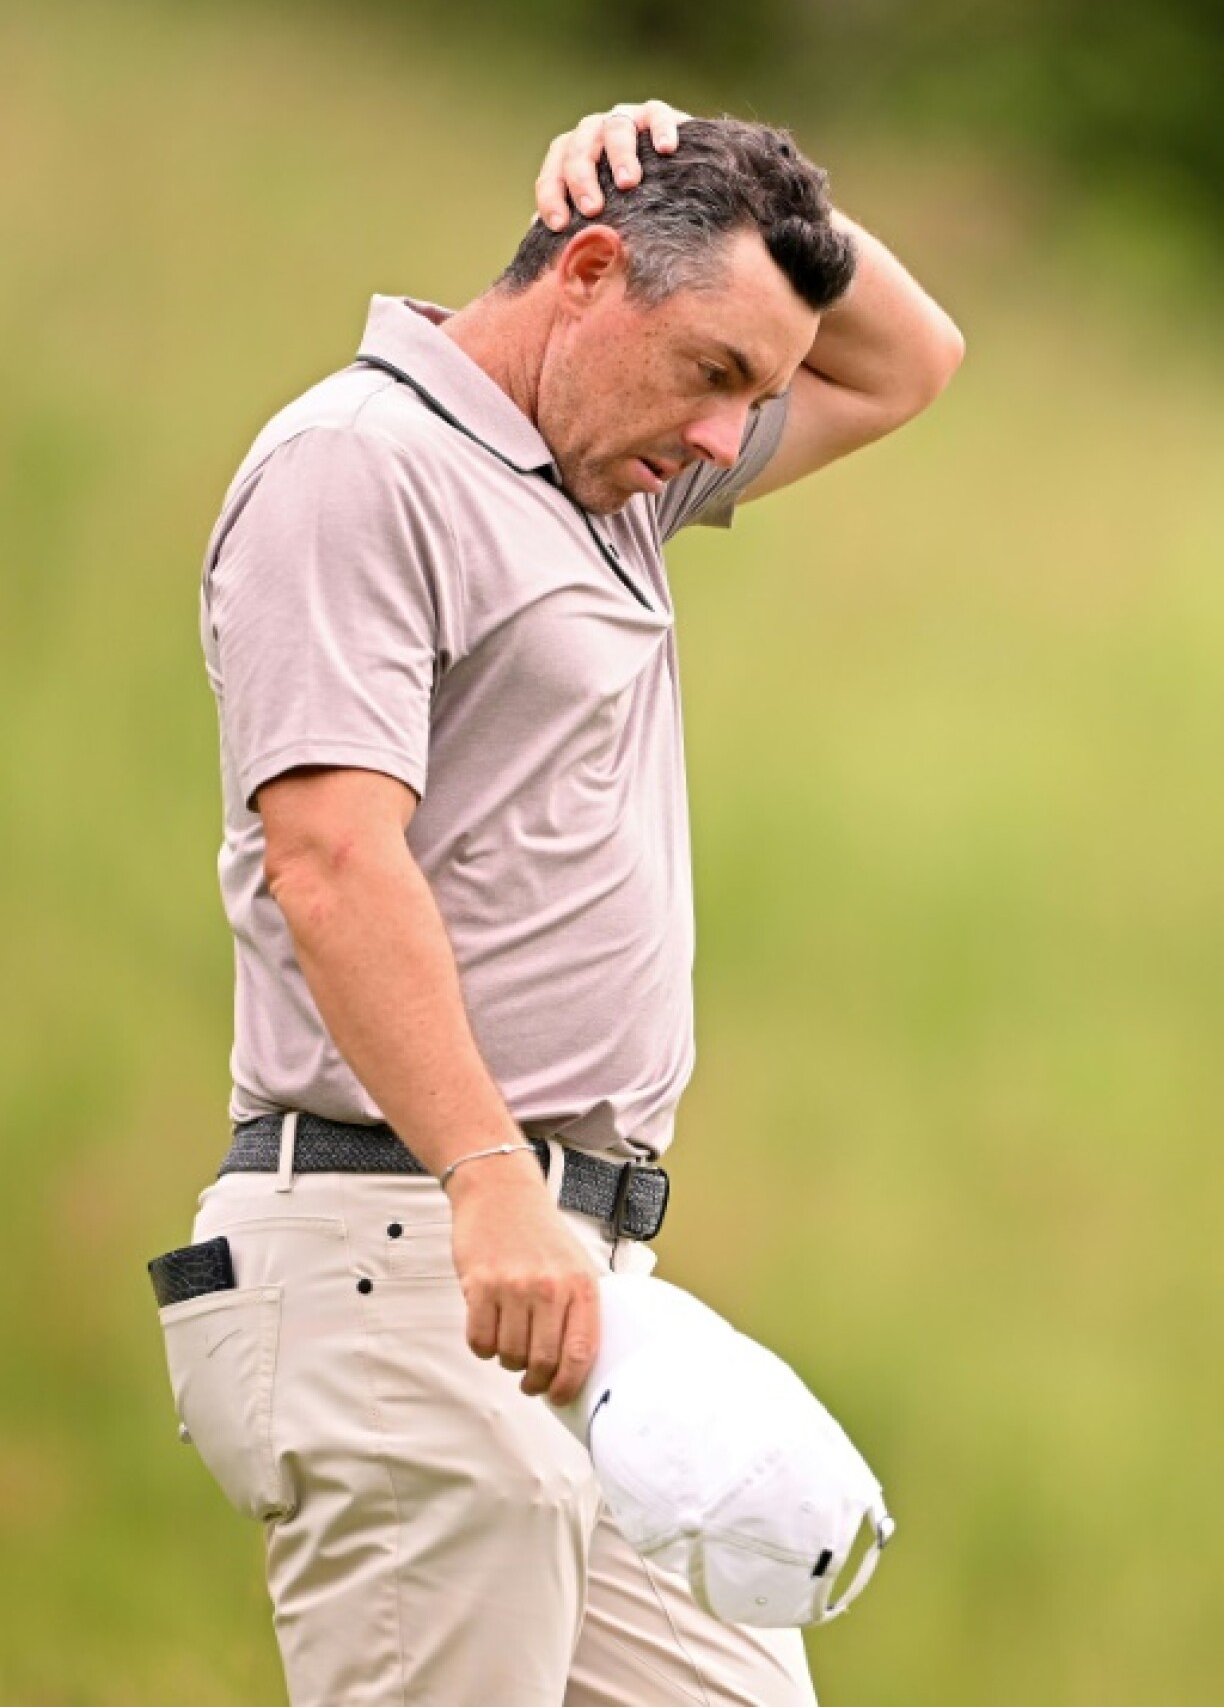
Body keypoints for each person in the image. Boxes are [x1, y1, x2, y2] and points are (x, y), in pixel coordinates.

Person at [159, 100, 963, 1706]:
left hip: (558, 1295)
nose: (736, 433)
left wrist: (698, 149)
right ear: (590, 273)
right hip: (407, 1255)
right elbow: (333, 856)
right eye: (720, 374)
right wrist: (484, 1176)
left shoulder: (615, 484)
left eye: (756, 390)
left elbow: (905, 359)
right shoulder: (360, 463)